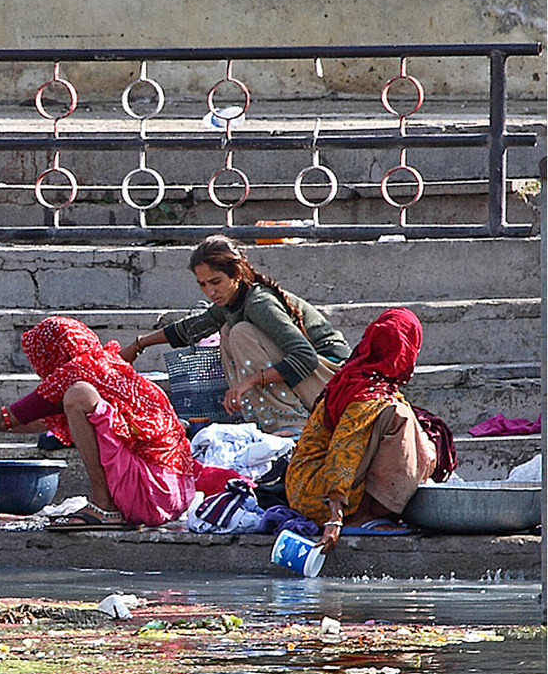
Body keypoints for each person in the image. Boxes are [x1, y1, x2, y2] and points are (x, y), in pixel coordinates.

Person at [0, 316, 197, 528]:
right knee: (77, 398)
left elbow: (5, 420)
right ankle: (107, 505)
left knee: (78, 395)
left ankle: (104, 507)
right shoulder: (106, 363)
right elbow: (37, 423)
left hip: (150, 492)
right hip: (176, 494)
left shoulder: (77, 376)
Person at [121, 234, 350, 436]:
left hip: (332, 382)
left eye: (216, 282)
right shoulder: (230, 302)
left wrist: (250, 381)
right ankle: (271, 418)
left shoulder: (260, 302)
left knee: (240, 331)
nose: (210, 292)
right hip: (314, 382)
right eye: (202, 285)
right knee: (228, 330)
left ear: (237, 274)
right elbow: (191, 328)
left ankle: (290, 420)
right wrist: (139, 344)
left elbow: (305, 358)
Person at [286, 308, 436, 550]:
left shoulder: (368, 379)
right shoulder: (367, 394)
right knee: (399, 416)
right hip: (316, 494)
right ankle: (362, 516)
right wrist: (335, 516)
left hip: (309, 489)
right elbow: (345, 447)